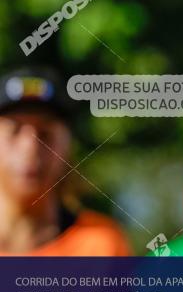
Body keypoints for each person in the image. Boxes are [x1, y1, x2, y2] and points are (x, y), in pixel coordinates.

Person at [0, 68, 131, 256]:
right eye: (14, 130)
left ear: (67, 144)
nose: (30, 147)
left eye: (45, 134)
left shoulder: (102, 246)